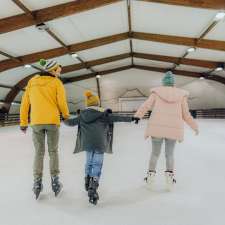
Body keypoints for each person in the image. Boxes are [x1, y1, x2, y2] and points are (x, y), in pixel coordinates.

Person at [64, 91, 139, 205]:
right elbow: (118, 118)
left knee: (89, 162)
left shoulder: (82, 115)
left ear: (87, 104)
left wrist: (61, 117)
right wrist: (132, 118)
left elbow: (70, 122)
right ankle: (93, 186)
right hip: (100, 144)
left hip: (87, 143)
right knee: (97, 164)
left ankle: (87, 180)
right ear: (97, 103)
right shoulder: (103, 115)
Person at [135, 71, 199, 190]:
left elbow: (146, 105)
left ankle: (150, 179)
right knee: (169, 154)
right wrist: (194, 126)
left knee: (155, 153)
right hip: (173, 130)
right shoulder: (181, 95)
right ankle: (169, 180)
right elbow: (186, 114)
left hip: (156, 128)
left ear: (164, 82)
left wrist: (138, 116)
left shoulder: (157, 92)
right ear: (173, 83)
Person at [20, 59, 69, 199]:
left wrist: (23, 122)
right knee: (53, 151)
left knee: (39, 152)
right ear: (52, 71)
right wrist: (65, 116)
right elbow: (62, 102)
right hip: (52, 122)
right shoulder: (56, 83)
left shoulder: (32, 82)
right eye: (58, 71)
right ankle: (55, 180)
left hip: (36, 122)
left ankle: (37, 182)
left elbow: (24, 103)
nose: (59, 74)